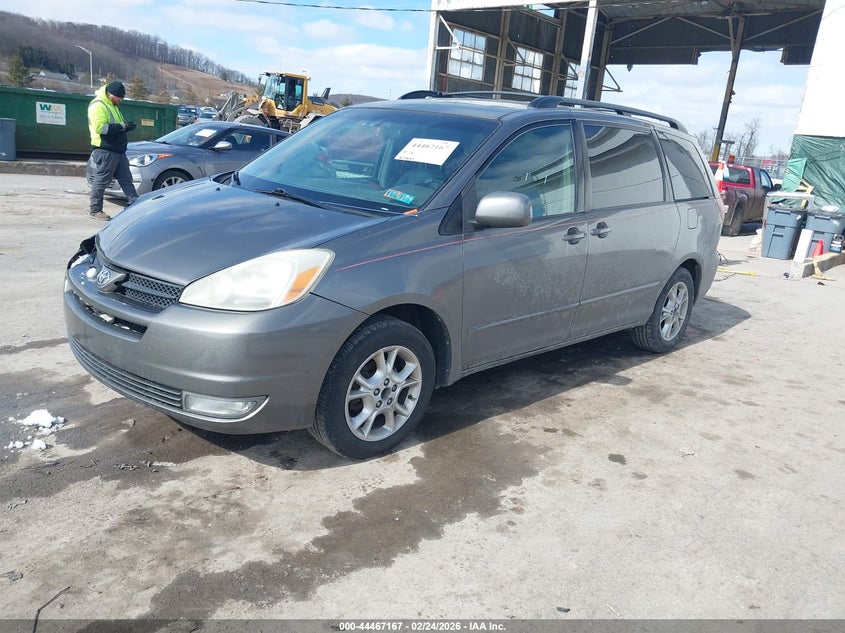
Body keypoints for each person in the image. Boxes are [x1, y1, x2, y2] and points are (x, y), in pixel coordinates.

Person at [86, 81, 138, 221]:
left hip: (118, 151)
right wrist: (123, 126)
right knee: (102, 181)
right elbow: (101, 128)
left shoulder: (113, 105)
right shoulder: (98, 105)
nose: (120, 100)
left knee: (126, 180)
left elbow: (116, 127)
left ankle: (135, 205)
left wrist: (126, 127)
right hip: (105, 150)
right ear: (110, 94)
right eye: (119, 97)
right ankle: (95, 210)